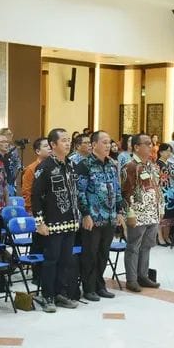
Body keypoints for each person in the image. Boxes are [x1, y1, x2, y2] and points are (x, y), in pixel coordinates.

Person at [32, 128, 80, 312]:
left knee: (66, 260)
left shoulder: (70, 164)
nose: (68, 143)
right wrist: (39, 222)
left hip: (70, 221)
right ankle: (48, 296)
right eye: (64, 140)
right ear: (53, 144)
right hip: (52, 223)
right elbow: (36, 197)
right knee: (51, 260)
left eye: (69, 140)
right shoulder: (44, 167)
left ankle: (61, 293)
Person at [76, 131, 123, 301]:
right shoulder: (85, 165)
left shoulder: (111, 165)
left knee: (103, 253)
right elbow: (80, 192)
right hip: (93, 217)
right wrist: (85, 214)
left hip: (110, 216)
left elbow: (117, 189)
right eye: (104, 142)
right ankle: (88, 288)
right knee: (90, 254)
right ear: (94, 144)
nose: (108, 145)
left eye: (109, 142)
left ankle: (99, 285)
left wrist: (119, 211)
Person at [121, 133, 162, 292]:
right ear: (136, 147)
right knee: (133, 246)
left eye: (151, 143)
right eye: (147, 143)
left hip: (152, 212)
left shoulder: (151, 165)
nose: (151, 146)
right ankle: (131, 279)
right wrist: (129, 213)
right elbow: (125, 192)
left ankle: (143, 275)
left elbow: (158, 187)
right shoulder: (130, 166)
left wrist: (161, 207)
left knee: (147, 245)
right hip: (137, 214)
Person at [156, 143, 174, 246]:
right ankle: (160, 237)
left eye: (170, 151)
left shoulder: (169, 164)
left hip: (169, 189)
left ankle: (166, 235)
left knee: (170, 214)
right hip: (161, 190)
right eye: (167, 151)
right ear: (161, 152)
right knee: (162, 214)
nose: (169, 153)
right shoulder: (157, 164)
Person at [22, 138, 51, 214]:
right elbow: (27, 191)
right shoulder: (31, 169)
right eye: (46, 146)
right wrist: (30, 210)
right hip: (37, 209)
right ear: (38, 151)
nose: (49, 148)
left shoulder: (55, 166)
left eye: (50, 145)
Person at [0, 128, 22, 196]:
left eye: (6, 142)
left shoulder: (13, 150)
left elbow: (17, 164)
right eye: (3, 142)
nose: (11, 135)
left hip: (11, 179)